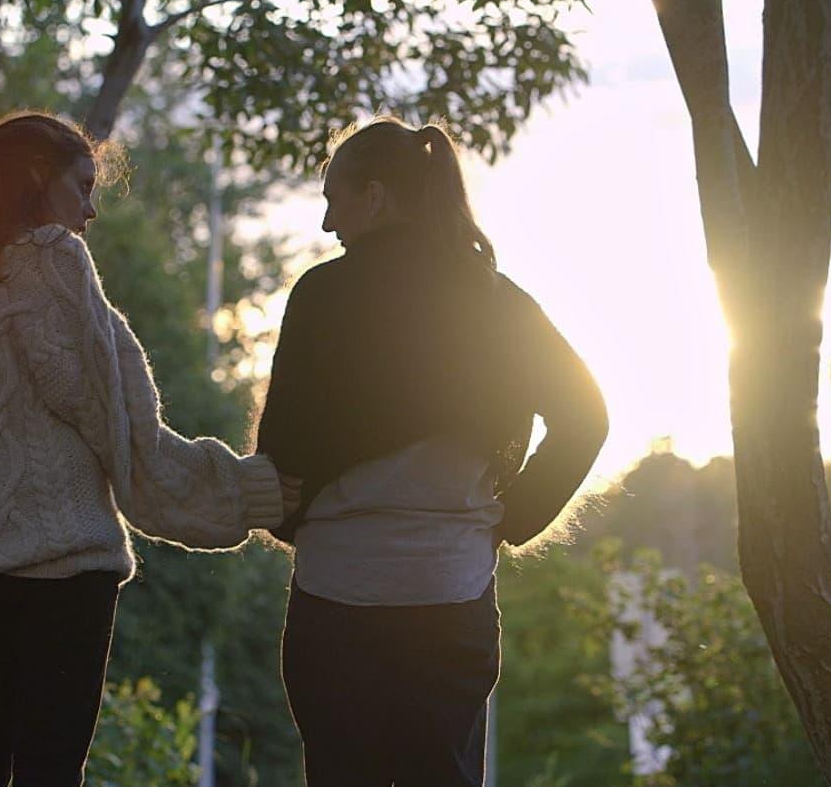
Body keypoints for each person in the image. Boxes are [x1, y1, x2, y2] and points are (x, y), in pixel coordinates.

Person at [0, 111, 288, 787]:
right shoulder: (49, 259)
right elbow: (112, 420)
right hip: (60, 561)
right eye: (81, 187)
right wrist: (246, 491)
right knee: (49, 770)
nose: (88, 212)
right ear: (35, 177)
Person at [255, 116, 609, 786]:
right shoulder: (499, 301)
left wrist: (287, 512)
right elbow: (586, 415)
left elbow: (283, 454)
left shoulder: (322, 296)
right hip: (450, 595)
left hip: (337, 599)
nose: (329, 223)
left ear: (377, 195)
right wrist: (516, 514)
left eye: (335, 199)